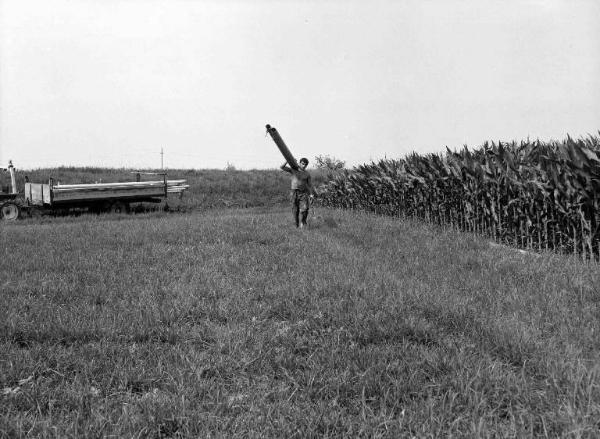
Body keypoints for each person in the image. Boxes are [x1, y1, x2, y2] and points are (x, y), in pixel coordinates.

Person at [281, 157, 317, 228]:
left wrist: (311, 194)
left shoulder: (307, 174)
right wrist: (287, 161)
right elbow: (282, 167)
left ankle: (303, 222)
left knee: (305, 208)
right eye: (303, 164)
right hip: (294, 192)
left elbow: (309, 185)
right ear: (300, 163)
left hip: (303, 193)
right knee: (295, 210)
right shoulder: (293, 170)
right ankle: (296, 225)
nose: (304, 166)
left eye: (305, 164)